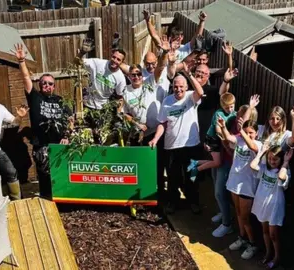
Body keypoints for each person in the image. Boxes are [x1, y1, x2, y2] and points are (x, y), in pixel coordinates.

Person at [13, 43, 73, 199]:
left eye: (50, 83)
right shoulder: (35, 98)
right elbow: (26, 77)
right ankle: (47, 201)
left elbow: (70, 120)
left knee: (60, 173)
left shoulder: (61, 101)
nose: (47, 85)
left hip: (59, 143)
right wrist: (21, 62)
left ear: (54, 86)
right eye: (44, 83)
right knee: (45, 176)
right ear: (40, 85)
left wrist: (67, 136)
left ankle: (60, 199)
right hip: (42, 146)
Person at [148, 62, 204, 214]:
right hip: (171, 146)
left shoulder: (190, 98)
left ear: (186, 87)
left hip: (191, 145)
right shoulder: (167, 101)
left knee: (191, 176)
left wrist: (189, 74)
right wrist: (155, 139)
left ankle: (193, 202)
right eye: (175, 86)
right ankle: (173, 202)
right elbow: (162, 123)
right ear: (172, 87)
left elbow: (200, 91)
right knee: (173, 178)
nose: (178, 89)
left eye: (181, 86)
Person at [121, 42, 169, 198]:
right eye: (133, 74)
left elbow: (160, 68)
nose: (136, 77)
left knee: (158, 164)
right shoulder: (126, 92)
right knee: (141, 165)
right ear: (129, 76)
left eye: (138, 74)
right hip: (137, 133)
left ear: (143, 76)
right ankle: (141, 194)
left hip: (154, 132)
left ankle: (160, 195)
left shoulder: (149, 84)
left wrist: (164, 53)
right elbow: (123, 114)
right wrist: (136, 123)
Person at [218, 117, 262, 260]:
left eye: (251, 132)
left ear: (256, 133)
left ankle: (253, 244)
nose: (249, 135)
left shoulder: (258, 145)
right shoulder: (239, 140)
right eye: (246, 132)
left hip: (247, 186)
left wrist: (242, 131)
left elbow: (252, 147)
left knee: (245, 217)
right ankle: (242, 238)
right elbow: (229, 138)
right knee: (237, 212)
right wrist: (223, 126)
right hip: (234, 183)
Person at [251, 143, 293, 269]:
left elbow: (281, 177)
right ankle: (268, 252)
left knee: (273, 234)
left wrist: (285, 162)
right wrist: (262, 152)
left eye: (275, 158)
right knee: (264, 231)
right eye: (270, 158)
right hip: (262, 203)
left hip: (275, 206)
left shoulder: (285, 171)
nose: (272, 161)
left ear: (281, 158)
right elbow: (252, 165)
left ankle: (277, 257)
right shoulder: (264, 168)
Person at [75, 40, 127, 111]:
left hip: (104, 108)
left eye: (118, 59)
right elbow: (77, 62)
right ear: (111, 56)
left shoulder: (120, 78)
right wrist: (82, 52)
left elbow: (120, 97)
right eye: (114, 57)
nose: (115, 60)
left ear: (122, 62)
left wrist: (118, 110)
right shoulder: (98, 63)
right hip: (88, 104)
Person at [142, 9, 207, 63]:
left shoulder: (186, 48)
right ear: (170, 38)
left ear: (182, 37)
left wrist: (202, 21)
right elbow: (154, 36)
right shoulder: (165, 48)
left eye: (179, 38)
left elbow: (197, 37)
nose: (177, 41)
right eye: (175, 38)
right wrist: (148, 21)